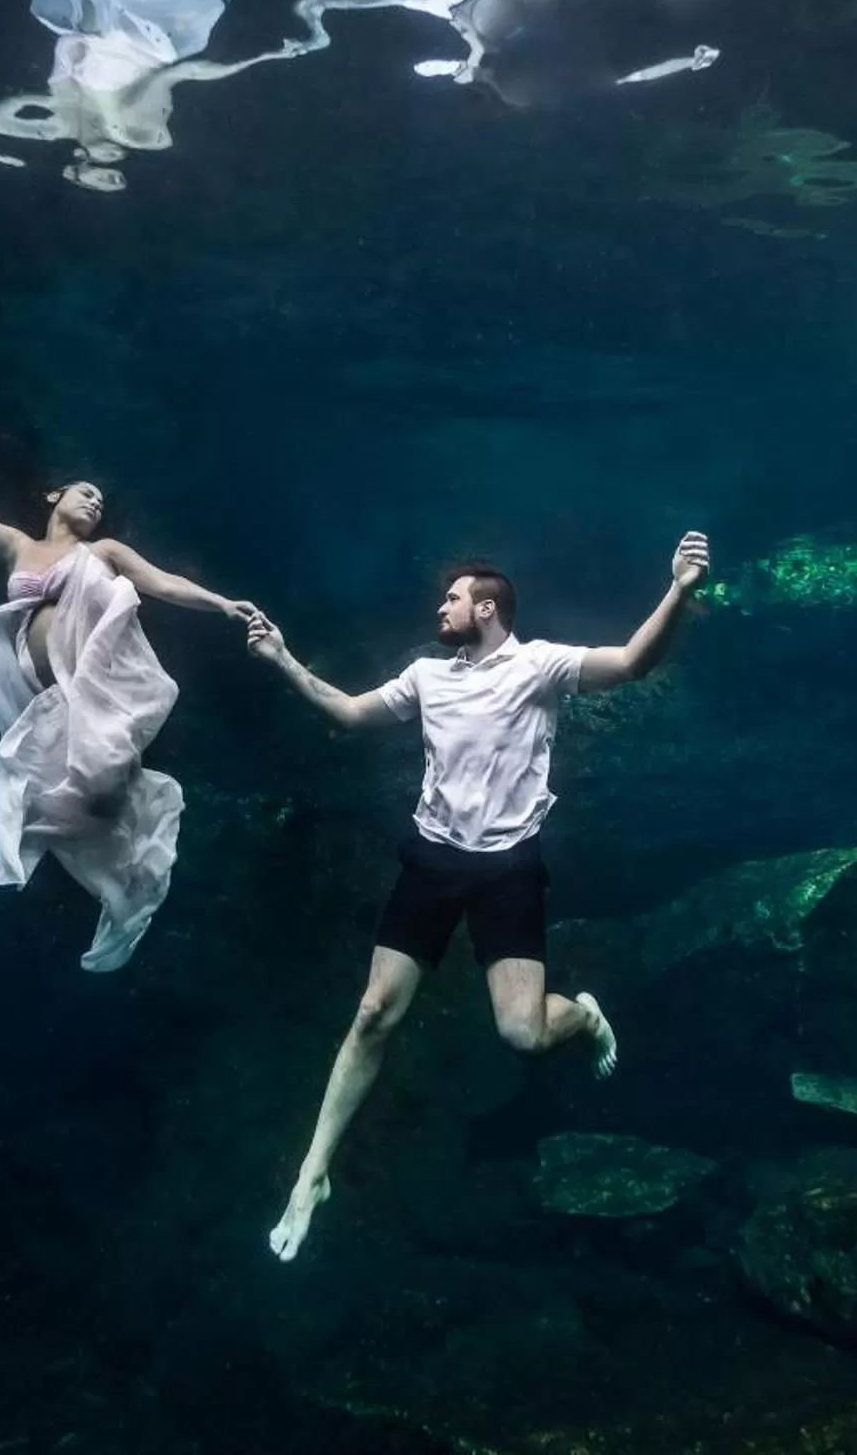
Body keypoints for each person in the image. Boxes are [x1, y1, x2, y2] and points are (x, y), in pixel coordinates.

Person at [247, 531, 711, 1260]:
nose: (442, 607)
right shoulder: (428, 676)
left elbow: (629, 662)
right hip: (433, 859)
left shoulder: (538, 665)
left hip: (507, 869)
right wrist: (280, 660)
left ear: (486, 607)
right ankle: (313, 1173)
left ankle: (583, 1017)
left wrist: (680, 590)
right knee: (372, 1014)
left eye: (454, 598)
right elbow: (348, 713)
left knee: (522, 1036)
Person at [0, 421, 260, 971]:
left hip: (97, 697)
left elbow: (163, 583)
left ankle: (130, 877)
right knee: (60, 806)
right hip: (44, 702)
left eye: (100, 499)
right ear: (55, 496)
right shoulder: (17, 546)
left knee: (104, 798)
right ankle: (81, 893)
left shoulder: (106, 551)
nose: (94, 501)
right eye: (84, 491)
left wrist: (222, 604)